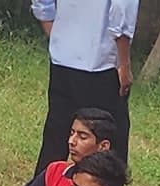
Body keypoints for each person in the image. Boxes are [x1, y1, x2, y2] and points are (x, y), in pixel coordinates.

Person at [30, 0, 131, 170]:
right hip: (101, 63)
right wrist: (124, 63)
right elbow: (121, 10)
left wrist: (57, 36)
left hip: (63, 60)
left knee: (57, 137)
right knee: (110, 145)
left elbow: (41, 3)